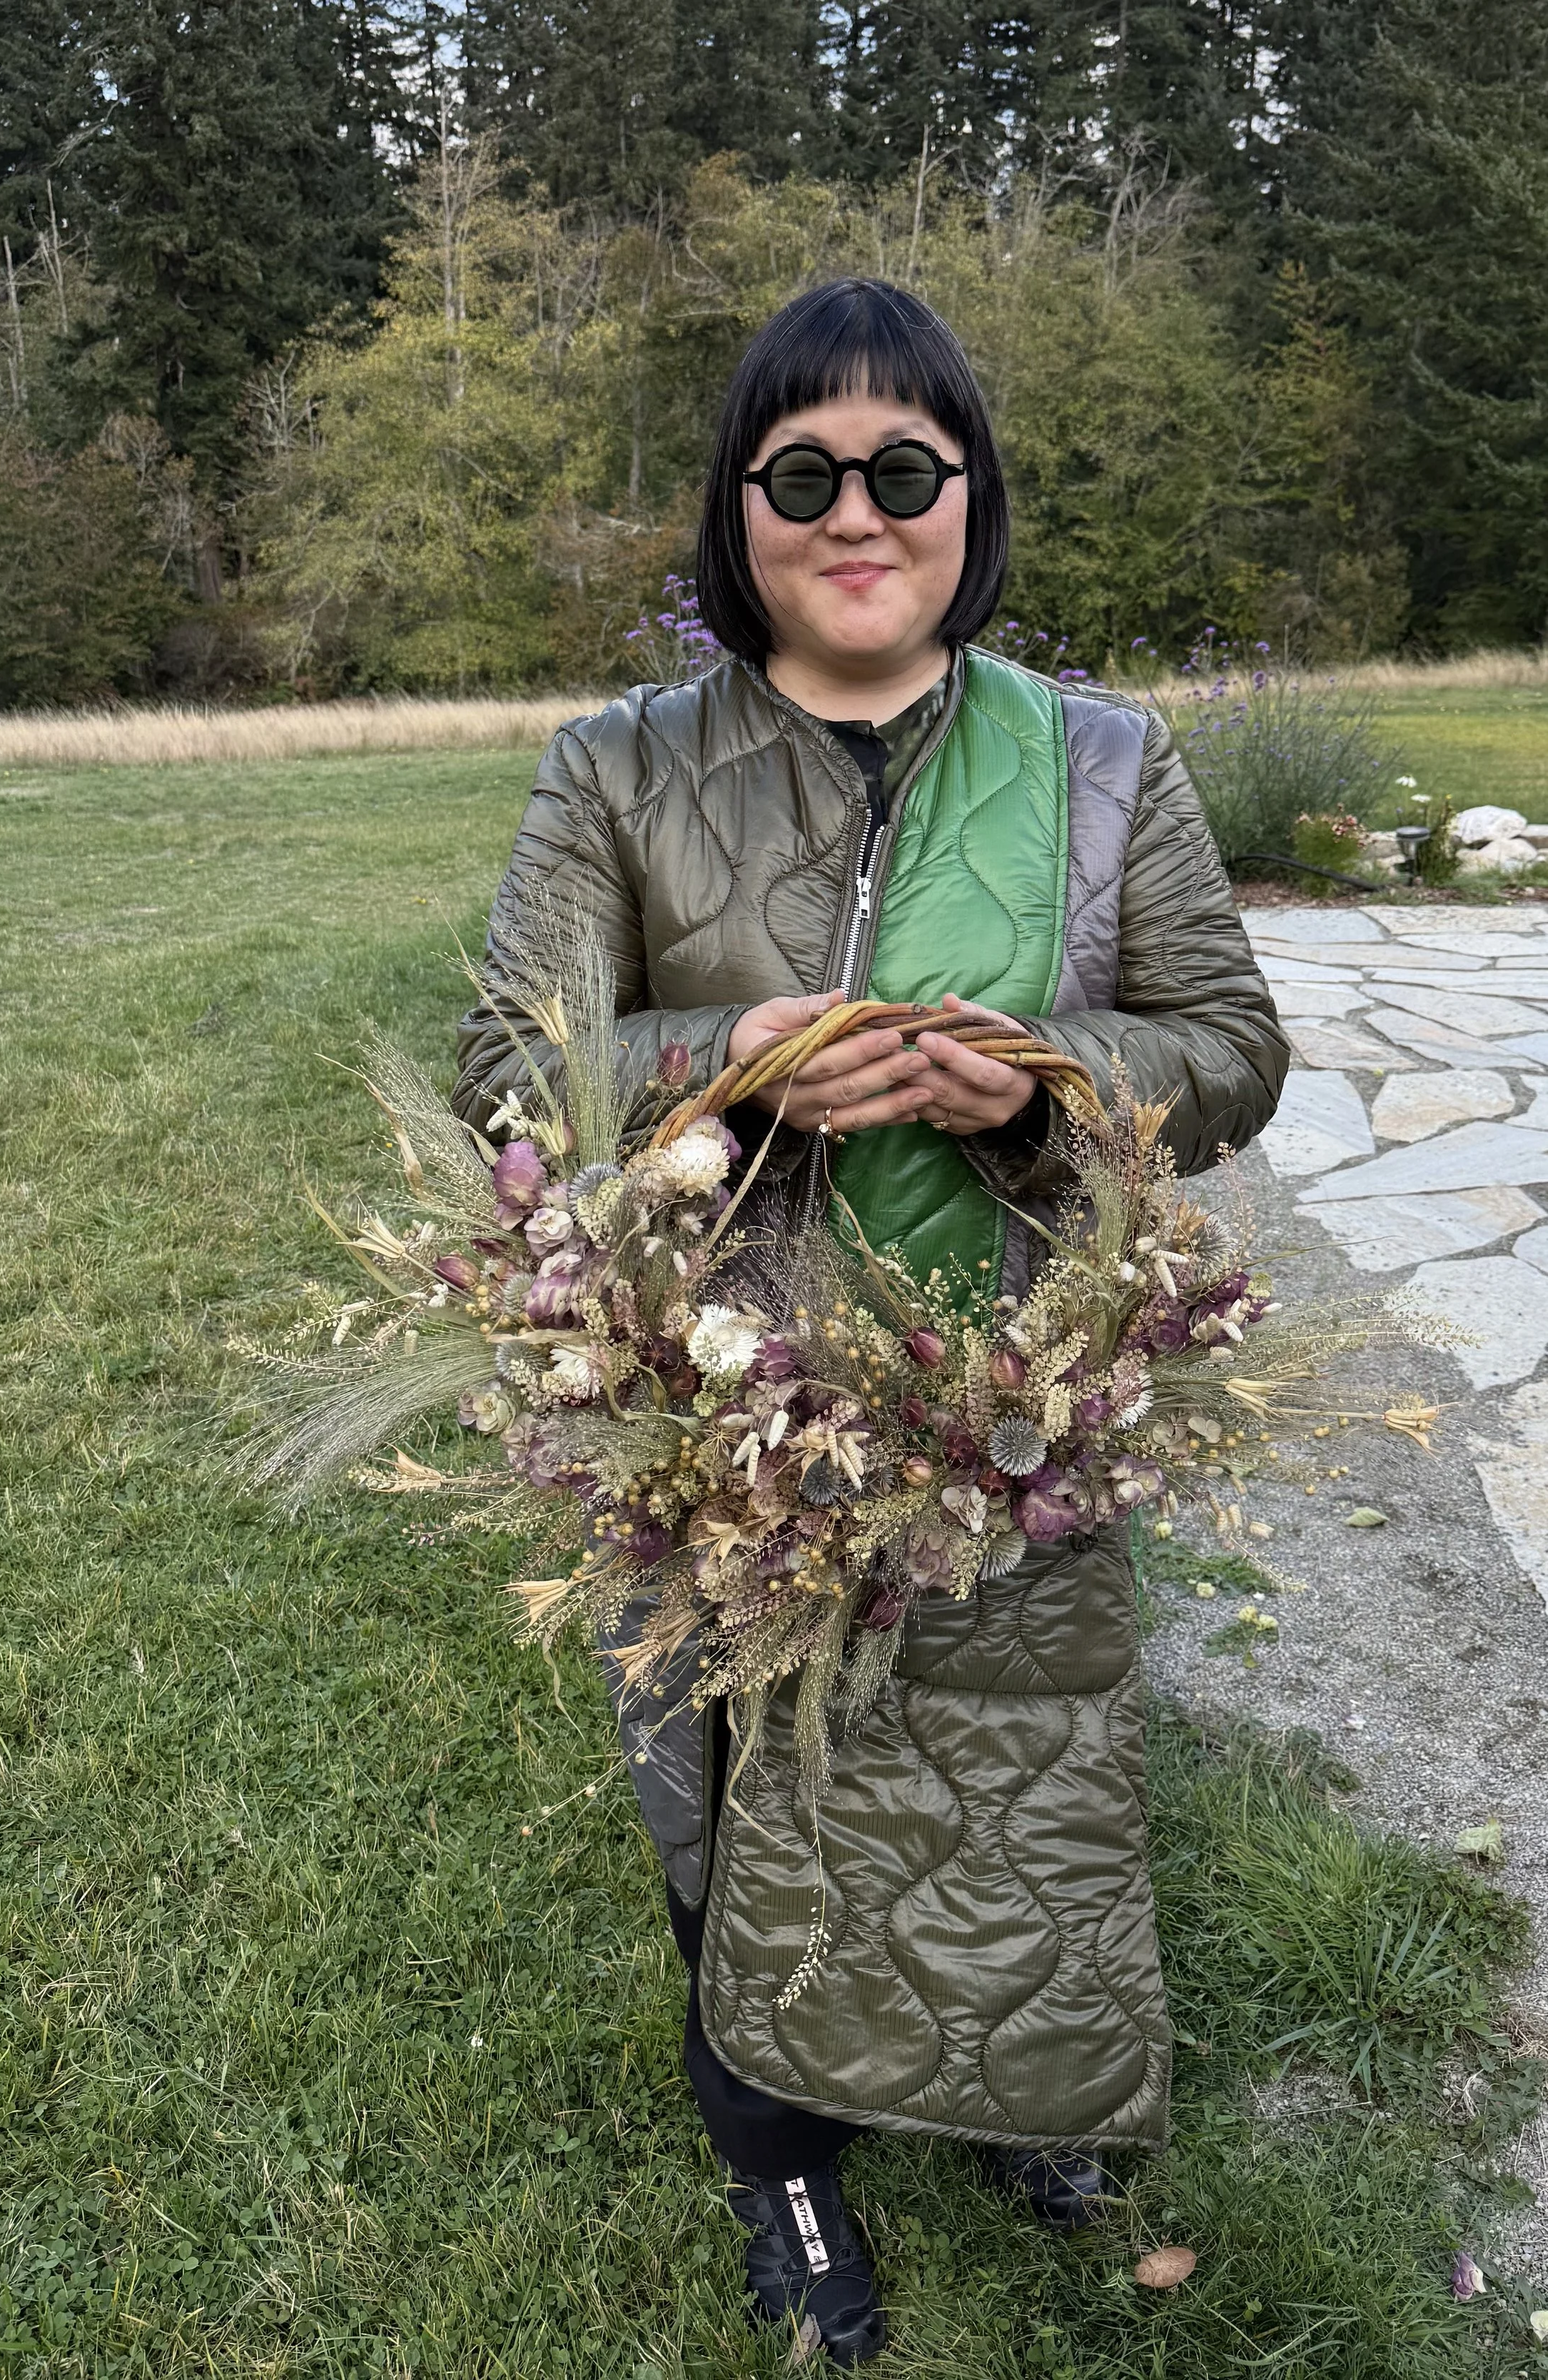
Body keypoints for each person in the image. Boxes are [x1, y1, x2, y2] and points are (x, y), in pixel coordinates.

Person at [453, 277, 1288, 2366]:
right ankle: (788, 2156)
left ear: (968, 499)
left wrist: (1044, 1077)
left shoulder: (1099, 763)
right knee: (731, 1777)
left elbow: (1234, 1046)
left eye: (903, 469)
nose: (856, 512)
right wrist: (712, 1060)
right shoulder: (619, 764)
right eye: (801, 471)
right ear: (734, 508)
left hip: (1023, 1379)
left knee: (1010, 1758)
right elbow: (500, 1071)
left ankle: (1008, 2076)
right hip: (714, 1397)